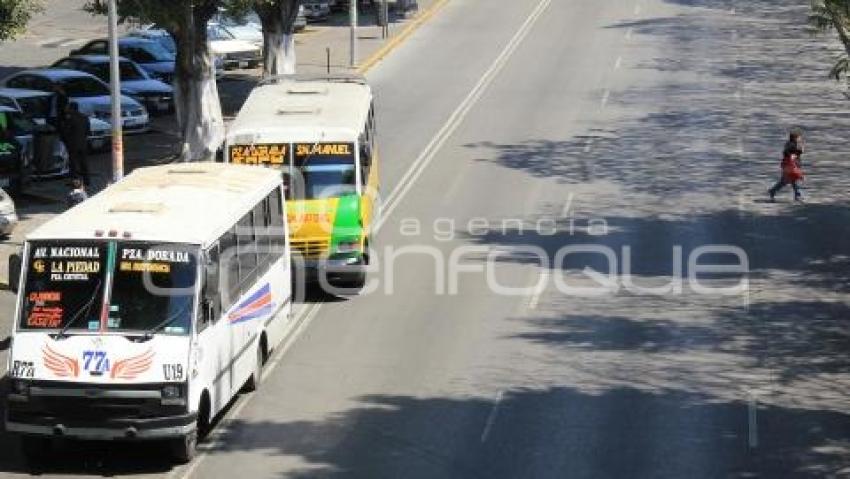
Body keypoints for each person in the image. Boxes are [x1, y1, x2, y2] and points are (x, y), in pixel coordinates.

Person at [60, 102, 91, 186]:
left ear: (71, 109)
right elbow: (88, 131)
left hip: (73, 144)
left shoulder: (70, 118)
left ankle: (75, 181)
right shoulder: (85, 118)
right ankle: (86, 180)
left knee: (73, 162)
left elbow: (66, 131)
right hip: (83, 143)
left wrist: (65, 140)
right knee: (83, 162)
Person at [768, 131, 805, 202]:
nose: (800, 139)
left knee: (789, 180)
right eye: (799, 137)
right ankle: (797, 195)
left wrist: (799, 152)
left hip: (790, 165)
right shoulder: (791, 144)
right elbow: (786, 152)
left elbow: (793, 153)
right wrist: (797, 153)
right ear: (795, 138)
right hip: (790, 165)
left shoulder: (791, 143)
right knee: (788, 180)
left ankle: (797, 195)